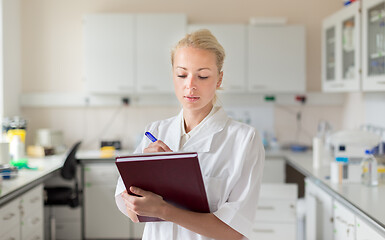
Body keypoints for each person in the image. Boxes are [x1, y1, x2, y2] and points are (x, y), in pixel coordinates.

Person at [115, 29, 265, 240]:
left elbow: (234, 231)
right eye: (182, 74)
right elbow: (133, 213)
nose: (190, 85)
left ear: (219, 79)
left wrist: (162, 210)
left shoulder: (244, 139)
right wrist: (146, 174)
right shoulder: (155, 132)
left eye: (202, 75)